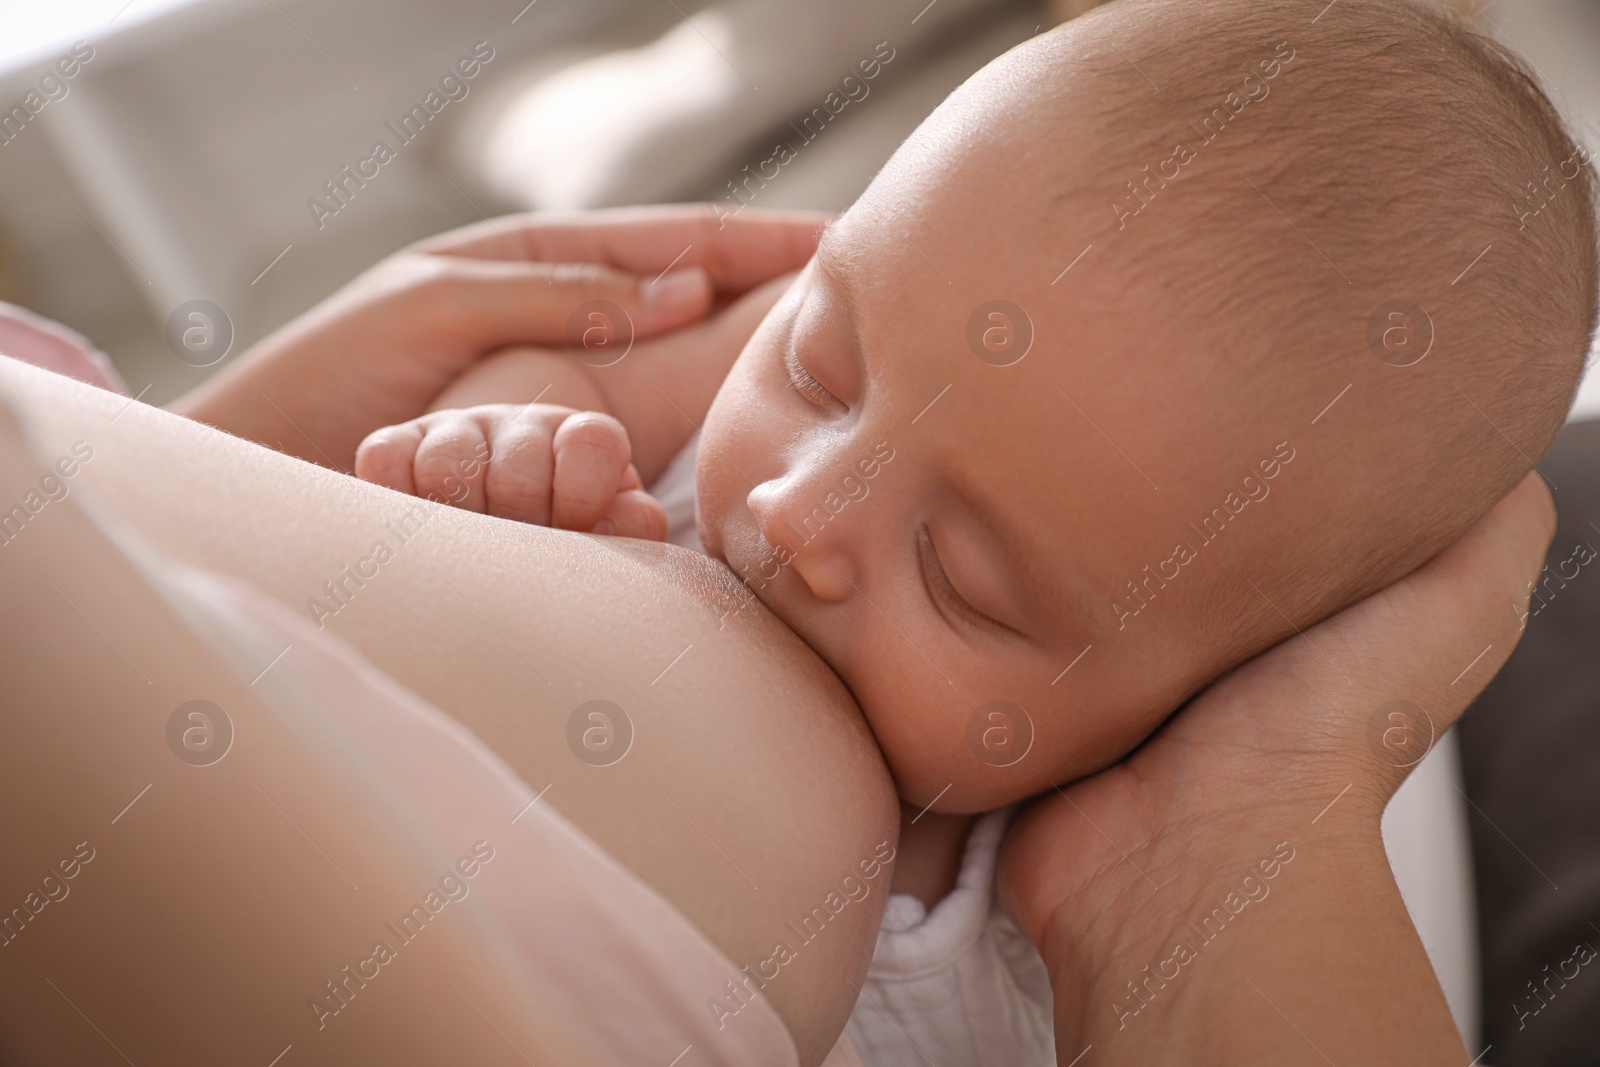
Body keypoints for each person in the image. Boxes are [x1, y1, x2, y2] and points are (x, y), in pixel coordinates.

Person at [336, 0, 1593, 1055]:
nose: (798, 510)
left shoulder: (1036, 977)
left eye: (962, 582)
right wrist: (509, 442)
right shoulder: (903, 325)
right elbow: (580, 369)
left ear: (1199, 698)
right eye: (820, 372)